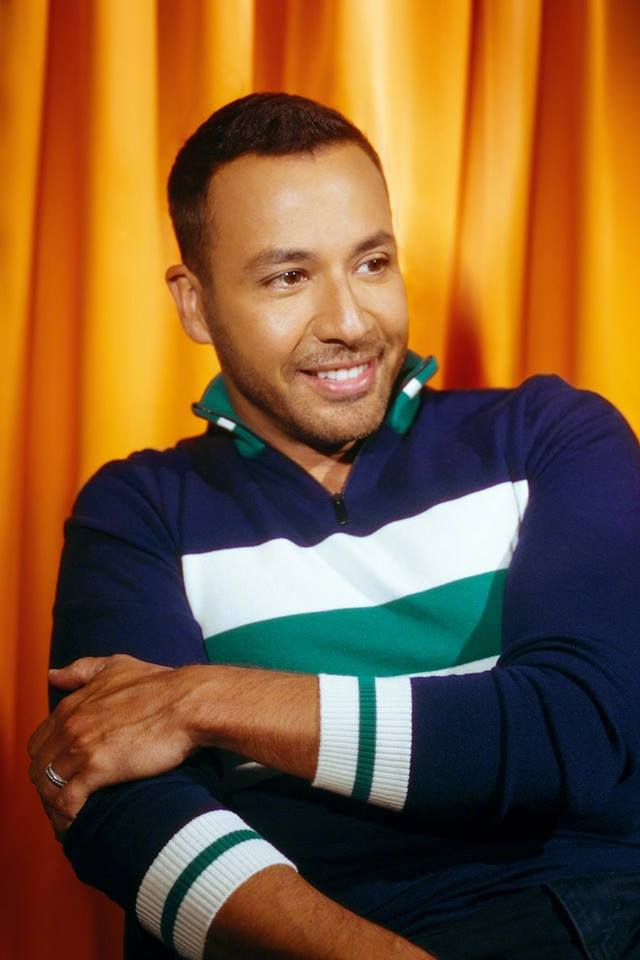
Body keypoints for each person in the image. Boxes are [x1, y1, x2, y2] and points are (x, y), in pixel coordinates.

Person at [28, 93, 640, 960]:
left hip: (576, 919)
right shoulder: (136, 510)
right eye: (288, 277)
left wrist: (201, 699)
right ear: (195, 304)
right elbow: (122, 806)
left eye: (372, 262)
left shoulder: (553, 435)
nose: (351, 323)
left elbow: (575, 732)